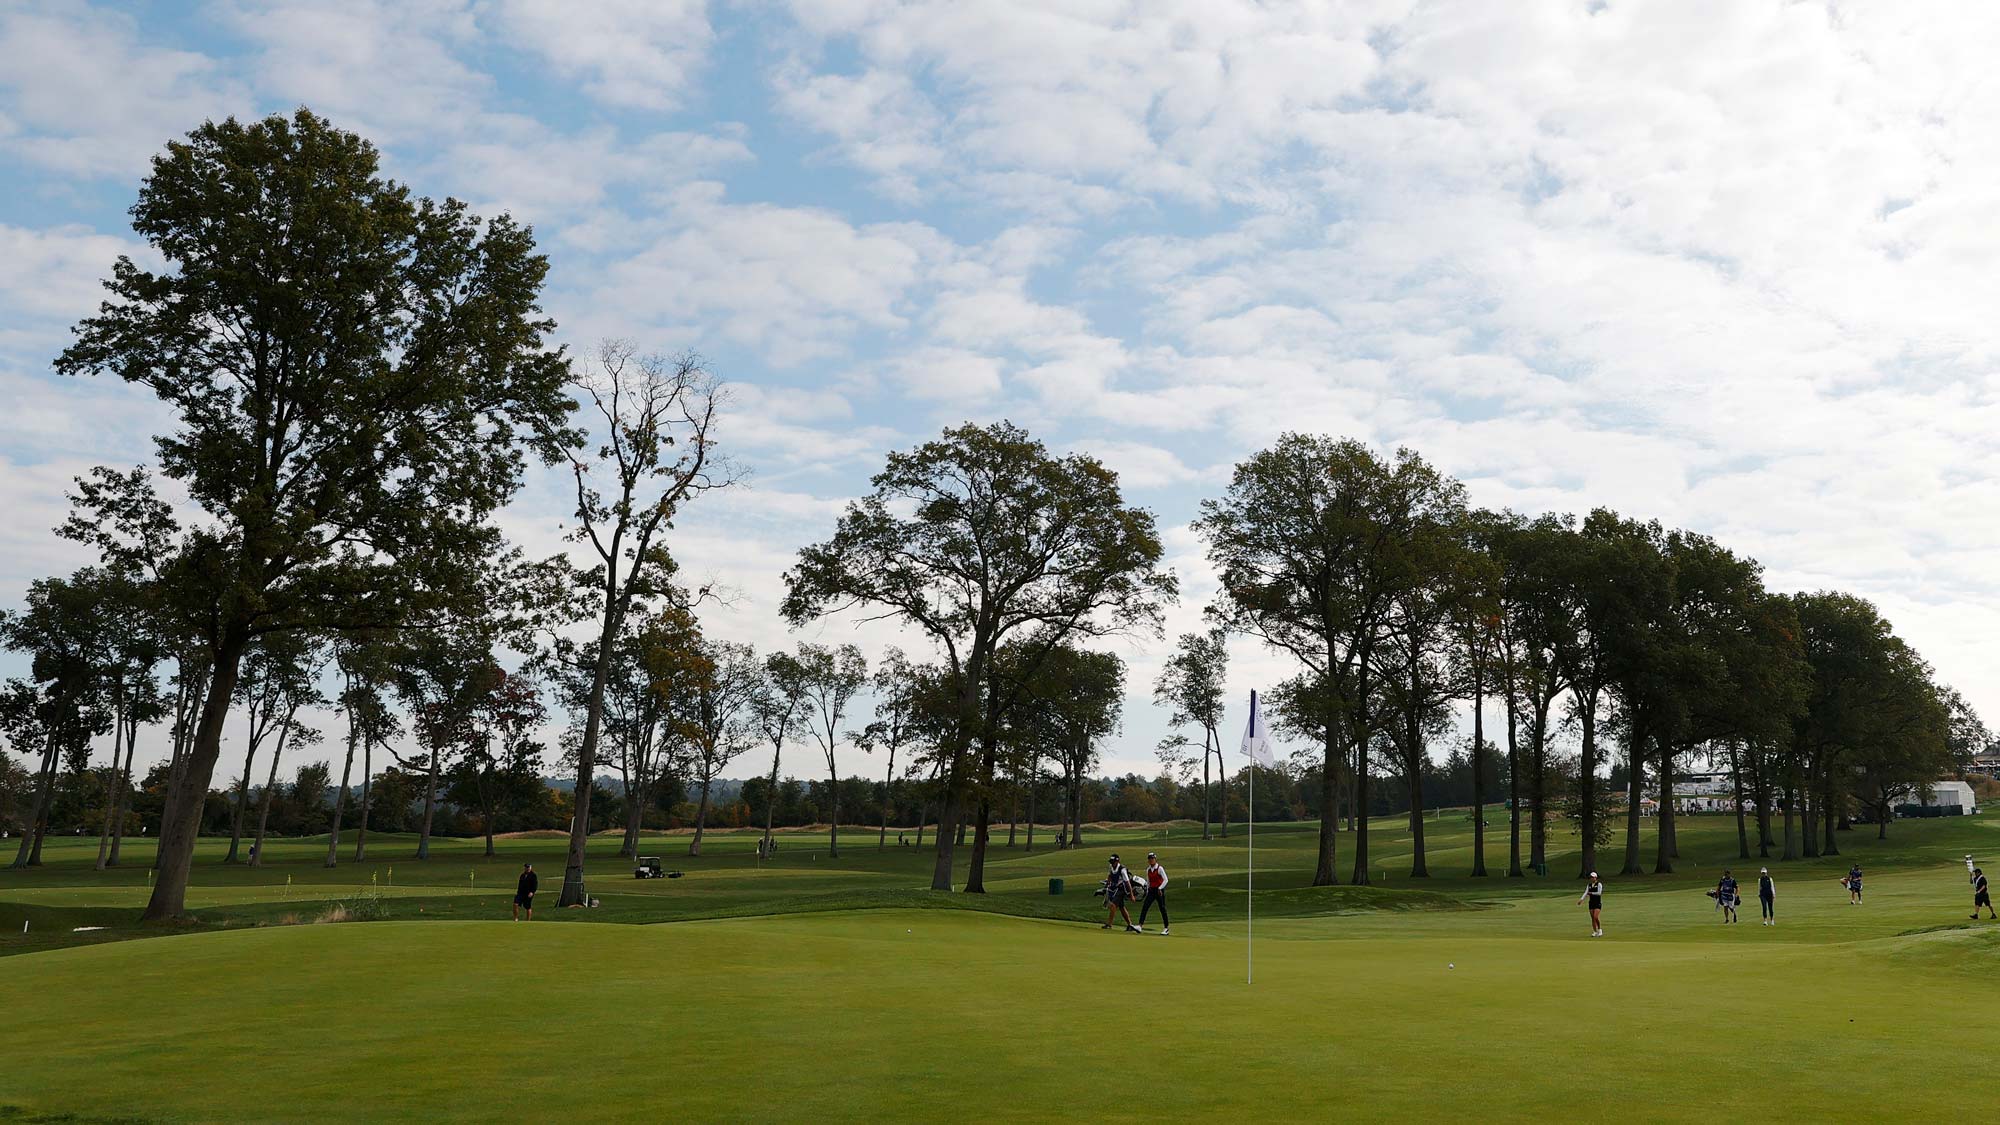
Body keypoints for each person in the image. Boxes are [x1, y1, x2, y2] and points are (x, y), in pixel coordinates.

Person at [1102, 855, 1139, 933]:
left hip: (1123, 888)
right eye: (1111, 862)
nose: (1112, 864)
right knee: (1121, 907)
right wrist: (1107, 883)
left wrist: (1131, 895)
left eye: (1113, 862)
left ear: (1117, 861)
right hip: (1116, 887)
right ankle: (1130, 925)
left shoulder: (1122, 870)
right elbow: (1110, 875)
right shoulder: (1111, 867)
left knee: (1113, 905)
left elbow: (1127, 882)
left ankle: (1109, 924)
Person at [1138, 851, 1170, 936]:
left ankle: (1166, 928)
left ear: (1155, 859)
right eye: (1150, 859)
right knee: (1145, 907)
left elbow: (1166, 880)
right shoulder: (1148, 869)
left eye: (1152, 859)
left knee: (1162, 908)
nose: (1151, 860)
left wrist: (1160, 888)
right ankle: (1140, 925)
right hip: (1151, 890)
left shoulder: (1159, 868)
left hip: (1159, 890)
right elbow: (1148, 882)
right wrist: (1147, 890)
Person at [1577, 872, 1606, 937]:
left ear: (1596, 877)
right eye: (1591, 877)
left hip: (1597, 902)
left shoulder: (1599, 884)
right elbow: (1586, 893)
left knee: (1596, 917)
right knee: (1592, 918)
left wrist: (1591, 893)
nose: (1592, 878)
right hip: (1591, 903)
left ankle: (1599, 929)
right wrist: (1581, 899)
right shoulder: (1589, 885)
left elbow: (1599, 893)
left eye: (1593, 877)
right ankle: (1594, 931)